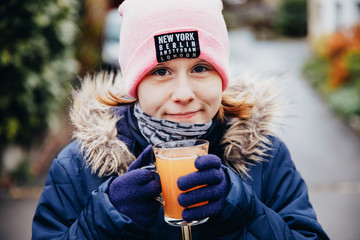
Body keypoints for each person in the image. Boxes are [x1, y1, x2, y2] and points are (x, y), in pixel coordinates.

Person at [32, 0, 329, 239]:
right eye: (161, 72)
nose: (184, 93)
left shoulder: (266, 156)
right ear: (135, 85)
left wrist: (241, 209)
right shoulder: (77, 166)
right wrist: (108, 218)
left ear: (221, 76)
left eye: (200, 68)